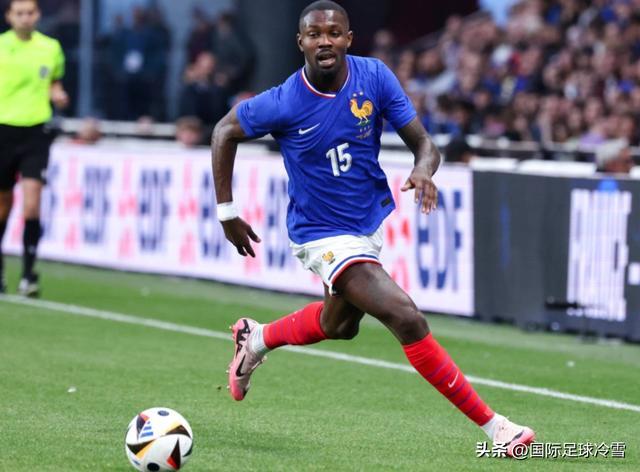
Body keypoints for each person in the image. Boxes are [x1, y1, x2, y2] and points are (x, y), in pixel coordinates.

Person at [211, 0, 535, 456]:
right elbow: (224, 132)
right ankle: (496, 427)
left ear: (348, 38)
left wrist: (423, 169)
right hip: (320, 234)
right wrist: (226, 212)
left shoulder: (375, 77)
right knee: (405, 316)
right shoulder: (284, 101)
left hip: (366, 226)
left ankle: (257, 339)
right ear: (301, 42)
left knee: (339, 325)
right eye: (315, 34)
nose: (325, 41)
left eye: (334, 32)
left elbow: (425, 143)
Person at [0, 0, 69, 296]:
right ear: (9, 17)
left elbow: (53, 82)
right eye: (20, 13)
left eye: (30, 13)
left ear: (38, 15)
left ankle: (28, 274)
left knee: (32, 202)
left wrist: (58, 94)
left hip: (36, 131)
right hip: (3, 129)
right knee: (3, 204)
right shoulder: (1, 46)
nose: (25, 18)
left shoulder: (50, 48)